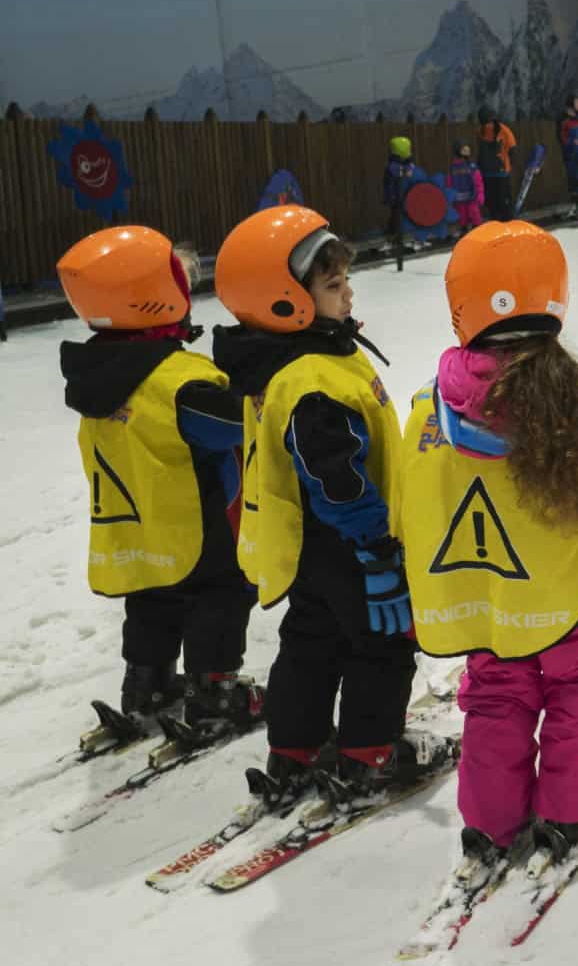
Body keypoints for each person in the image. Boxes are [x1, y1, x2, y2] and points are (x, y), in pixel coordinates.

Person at [398, 222, 578, 884]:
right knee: (577, 699)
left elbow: (411, 495)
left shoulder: (427, 406)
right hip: (572, 600)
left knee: (496, 705)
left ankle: (490, 824)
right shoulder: (571, 403)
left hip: (487, 598)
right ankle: (569, 812)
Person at [212, 206, 446, 812]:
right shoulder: (312, 377)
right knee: (381, 644)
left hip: (309, 545)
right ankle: (370, 755)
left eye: (346, 281)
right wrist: (375, 545)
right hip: (348, 541)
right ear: (286, 301)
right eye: (333, 285)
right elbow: (335, 477)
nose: (349, 294)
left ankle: (295, 749)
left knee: (312, 642)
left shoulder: (285, 362)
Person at [55, 227, 258, 744]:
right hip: (196, 521)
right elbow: (242, 424)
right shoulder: (177, 381)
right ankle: (213, 690)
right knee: (222, 591)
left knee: (152, 599)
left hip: (134, 524)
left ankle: (147, 682)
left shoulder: (97, 373)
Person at [476, 111, 517, 222]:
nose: (489, 126)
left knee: (494, 203)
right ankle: (507, 223)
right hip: (498, 172)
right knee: (502, 203)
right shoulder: (503, 130)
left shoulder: (482, 130)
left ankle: (500, 223)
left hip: (492, 172)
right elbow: (513, 149)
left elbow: (512, 149)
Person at [383, 136, 417, 251]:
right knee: (395, 219)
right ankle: (392, 240)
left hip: (409, 197)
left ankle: (409, 239)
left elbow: (414, 179)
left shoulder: (410, 165)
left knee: (410, 218)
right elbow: (388, 184)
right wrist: (390, 197)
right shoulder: (392, 167)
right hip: (397, 198)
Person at [448, 143, 485, 234]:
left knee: (474, 213)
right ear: (458, 151)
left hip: (472, 196)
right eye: (464, 150)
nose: (467, 152)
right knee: (462, 216)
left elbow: (478, 181)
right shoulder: (454, 166)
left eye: (468, 150)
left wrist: (480, 194)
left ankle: (477, 230)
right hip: (459, 197)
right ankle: (464, 231)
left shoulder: (472, 166)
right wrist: (449, 194)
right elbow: (450, 181)